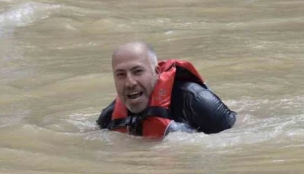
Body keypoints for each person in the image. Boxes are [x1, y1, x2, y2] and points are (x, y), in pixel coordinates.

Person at [97, 41, 236, 139]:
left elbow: (236, 134)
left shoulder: (197, 101)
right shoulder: (109, 118)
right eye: (121, 75)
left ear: (156, 72)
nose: (129, 83)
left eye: (137, 71)